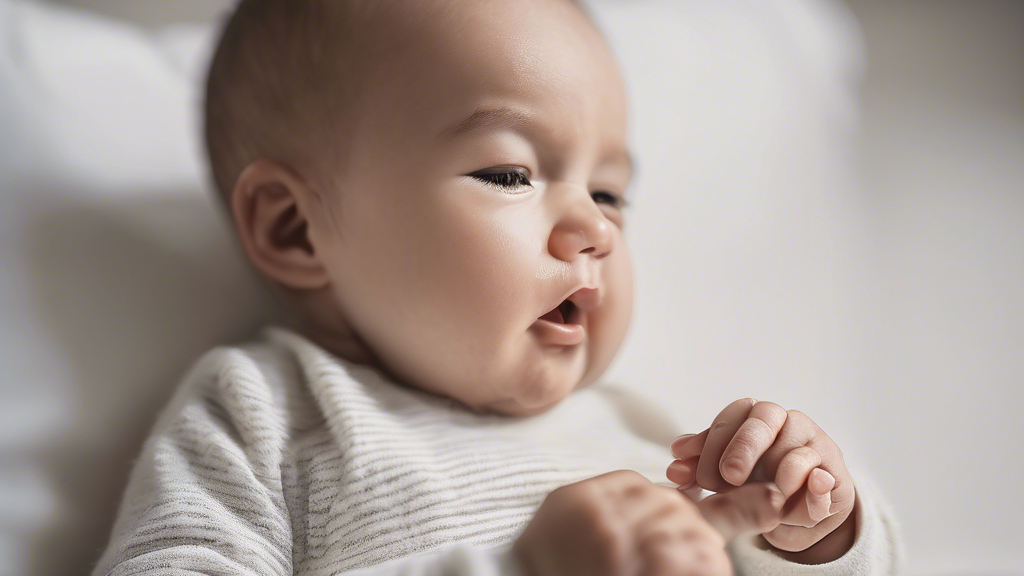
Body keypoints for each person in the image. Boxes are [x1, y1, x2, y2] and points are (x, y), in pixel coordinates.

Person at [92, 1, 902, 574]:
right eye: (510, 171)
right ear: (296, 229)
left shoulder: (643, 435)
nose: (596, 228)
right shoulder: (267, 412)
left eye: (611, 191)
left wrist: (812, 534)